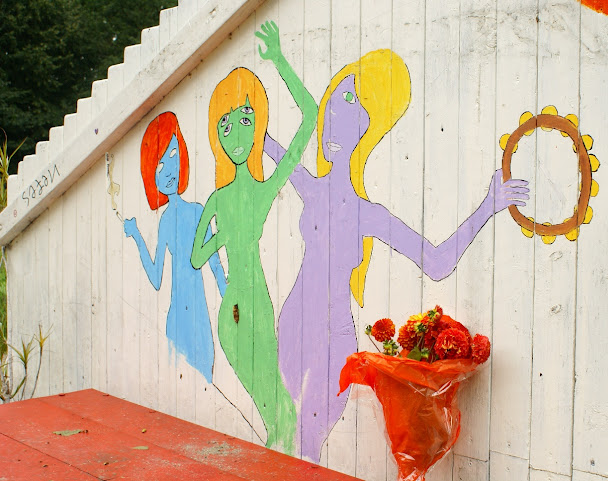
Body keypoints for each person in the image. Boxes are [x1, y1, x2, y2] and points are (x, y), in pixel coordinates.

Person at [263, 49, 530, 461]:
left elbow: (436, 262)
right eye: (334, 102)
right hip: (295, 320)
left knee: (309, 445)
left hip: (334, 336)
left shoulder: (368, 214)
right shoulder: (312, 188)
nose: (333, 115)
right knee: (279, 433)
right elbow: (271, 146)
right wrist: (276, 68)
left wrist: (488, 206)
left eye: (350, 102)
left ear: (367, 127)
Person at [190, 21, 317, 455]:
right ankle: (279, 439)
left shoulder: (262, 191)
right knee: (266, 396)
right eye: (226, 125)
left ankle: (281, 446)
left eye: (246, 120)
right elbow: (196, 256)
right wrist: (220, 238)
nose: (237, 134)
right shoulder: (218, 198)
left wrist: (279, 60)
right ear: (217, 135)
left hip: (256, 303)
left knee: (276, 397)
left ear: (259, 125)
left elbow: (310, 117)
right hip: (230, 314)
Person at [124, 111, 226, 384]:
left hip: (199, 316)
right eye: (159, 165)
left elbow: (215, 265)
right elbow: (157, 278)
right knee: (178, 386)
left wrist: (231, 302)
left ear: (182, 155)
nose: (168, 170)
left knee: (204, 377)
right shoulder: (166, 221)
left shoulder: (198, 212)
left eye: (172, 154)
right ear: (152, 176)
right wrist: (137, 237)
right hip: (176, 320)